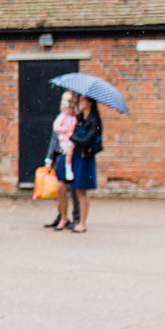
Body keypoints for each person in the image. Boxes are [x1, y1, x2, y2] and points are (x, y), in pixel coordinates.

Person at [63, 94, 103, 233]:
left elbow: (87, 141)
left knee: (82, 191)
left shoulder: (94, 120)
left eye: (82, 100)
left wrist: (72, 137)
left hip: (85, 158)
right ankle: (78, 220)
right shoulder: (80, 118)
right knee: (76, 189)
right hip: (77, 157)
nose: (79, 102)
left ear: (89, 102)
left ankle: (82, 223)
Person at [46, 90, 79, 231]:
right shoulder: (61, 118)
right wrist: (49, 158)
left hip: (72, 154)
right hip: (60, 155)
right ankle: (62, 216)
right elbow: (54, 139)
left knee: (74, 189)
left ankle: (76, 217)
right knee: (60, 189)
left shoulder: (77, 118)